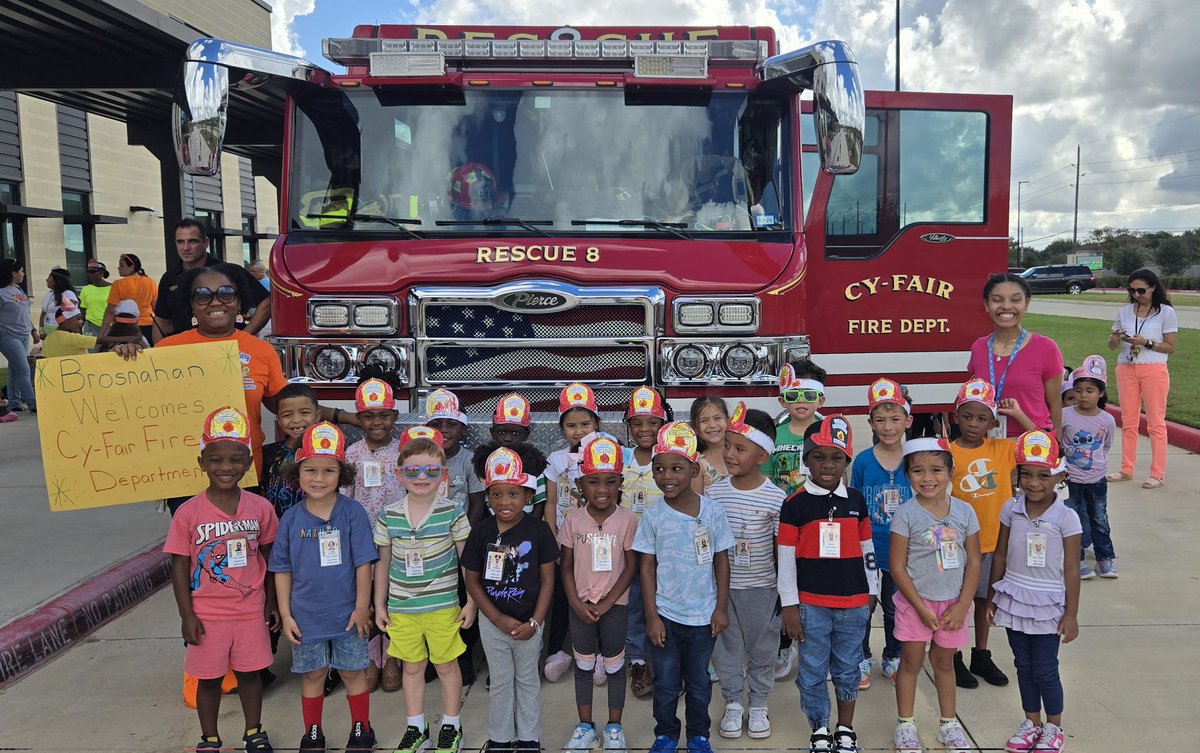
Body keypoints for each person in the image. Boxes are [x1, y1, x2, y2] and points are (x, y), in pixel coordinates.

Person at [162, 407, 279, 753]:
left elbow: (271, 558)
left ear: (248, 463)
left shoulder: (260, 507)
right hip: (207, 613)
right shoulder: (188, 513)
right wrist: (187, 615)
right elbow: (179, 567)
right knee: (209, 678)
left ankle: (254, 732)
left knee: (250, 674)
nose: (225, 467)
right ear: (202, 463)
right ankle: (210, 738)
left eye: (235, 460)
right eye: (215, 460)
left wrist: (272, 602)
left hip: (250, 610)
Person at [115, 263, 286, 483]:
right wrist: (123, 363)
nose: (215, 301)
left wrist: (328, 415)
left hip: (244, 475)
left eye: (226, 293)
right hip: (183, 475)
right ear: (192, 305)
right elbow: (136, 408)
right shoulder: (166, 350)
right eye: (203, 295)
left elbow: (284, 407)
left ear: (239, 301)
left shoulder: (261, 351)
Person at [270, 422, 378, 753]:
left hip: (348, 615)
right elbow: (282, 569)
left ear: (342, 473)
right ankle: (313, 732)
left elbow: (363, 564)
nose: (319, 478)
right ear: (297, 472)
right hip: (306, 617)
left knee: (352, 673)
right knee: (314, 674)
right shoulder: (291, 519)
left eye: (329, 470)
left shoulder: (352, 512)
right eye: (311, 470)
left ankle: (361, 728)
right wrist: (286, 615)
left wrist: (362, 608)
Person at [777, 416, 877, 753]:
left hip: (854, 604)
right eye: (818, 456)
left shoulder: (857, 501)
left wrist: (872, 591)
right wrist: (789, 605)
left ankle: (845, 729)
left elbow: (867, 549)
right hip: (811, 606)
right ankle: (819, 728)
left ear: (847, 460)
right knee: (812, 670)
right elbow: (786, 559)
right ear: (806, 459)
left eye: (836, 457)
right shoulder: (794, 505)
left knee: (848, 670)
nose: (828, 465)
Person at [634, 422, 733, 753]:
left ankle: (698, 736)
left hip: (703, 617)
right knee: (665, 682)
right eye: (659, 469)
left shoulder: (713, 511)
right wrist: (652, 616)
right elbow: (646, 567)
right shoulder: (653, 517)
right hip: (665, 615)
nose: (667, 477)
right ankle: (665, 734)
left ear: (694, 469)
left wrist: (720, 608)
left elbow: (721, 560)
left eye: (676, 468)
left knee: (699, 682)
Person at [374, 432, 474, 753]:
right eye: (412, 470)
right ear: (398, 473)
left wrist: (471, 601)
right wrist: (379, 604)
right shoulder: (389, 514)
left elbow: (467, 561)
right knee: (412, 667)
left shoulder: (453, 511)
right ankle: (416, 727)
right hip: (402, 608)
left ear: (443, 474)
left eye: (431, 470)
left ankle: (451, 725)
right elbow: (383, 562)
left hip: (443, 607)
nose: (421, 477)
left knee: (446, 666)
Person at [987, 431, 1082, 753]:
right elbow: (1000, 555)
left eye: (1043, 475)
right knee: (1023, 665)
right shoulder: (1011, 508)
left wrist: (1071, 614)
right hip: (1013, 596)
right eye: (1026, 474)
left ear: (1060, 476)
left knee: (1045, 668)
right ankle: (1031, 722)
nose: (1033, 483)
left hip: (1047, 603)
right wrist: (992, 598)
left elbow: (1072, 568)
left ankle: (1054, 727)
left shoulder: (1067, 518)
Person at [461, 447, 558, 753]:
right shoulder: (481, 531)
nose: (505, 501)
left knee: (527, 679)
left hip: (530, 622)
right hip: (493, 624)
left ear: (528, 496)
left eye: (513, 494)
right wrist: (497, 618)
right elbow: (472, 579)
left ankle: (529, 738)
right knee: (501, 681)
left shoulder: (539, 531)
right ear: (487, 496)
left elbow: (548, 580)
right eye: (497, 494)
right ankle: (500, 738)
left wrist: (535, 622)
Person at [889, 438, 981, 753]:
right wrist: (919, 607)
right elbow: (897, 567)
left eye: (936, 470)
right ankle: (905, 724)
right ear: (907, 475)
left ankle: (948, 724)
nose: (927, 478)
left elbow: (974, 561)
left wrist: (963, 605)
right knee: (911, 661)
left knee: (944, 662)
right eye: (918, 471)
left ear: (951, 472)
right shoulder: (906, 514)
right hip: (916, 604)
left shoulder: (966, 511)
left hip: (954, 605)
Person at [947, 378, 1034, 690]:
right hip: (958, 544)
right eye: (967, 416)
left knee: (985, 601)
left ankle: (980, 654)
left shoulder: (1002, 449)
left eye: (982, 418)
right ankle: (952, 654)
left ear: (993, 423)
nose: (974, 423)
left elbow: (1040, 442)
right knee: (957, 600)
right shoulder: (947, 452)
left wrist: (1019, 414)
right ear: (955, 417)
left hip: (994, 542)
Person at [710, 405, 786, 741]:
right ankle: (732, 702)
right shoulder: (713, 493)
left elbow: (780, 551)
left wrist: (784, 593)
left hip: (761, 589)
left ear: (762, 457)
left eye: (740, 448)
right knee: (725, 649)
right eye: (727, 445)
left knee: (762, 649)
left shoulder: (776, 498)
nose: (729, 454)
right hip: (722, 591)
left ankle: (758, 703)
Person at [559, 435, 639, 752]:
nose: (602, 489)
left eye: (610, 482)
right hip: (580, 606)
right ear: (581, 484)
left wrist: (607, 603)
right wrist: (575, 603)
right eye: (593, 482)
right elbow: (565, 566)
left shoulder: (627, 520)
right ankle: (585, 727)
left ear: (620, 483)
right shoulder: (573, 519)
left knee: (615, 666)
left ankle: (614, 728)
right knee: (584, 667)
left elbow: (631, 567)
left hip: (614, 607)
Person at [851, 378, 914, 690]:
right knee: (864, 606)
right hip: (868, 547)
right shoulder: (863, 461)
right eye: (880, 420)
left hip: (901, 550)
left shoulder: (915, 458)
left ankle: (893, 656)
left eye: (895, 419)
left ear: (908, 421)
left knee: (895, 606)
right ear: (871, 423)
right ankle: (861, 656)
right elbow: (854, 503)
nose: (888, 427)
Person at [424, 387, 484, 686]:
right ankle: (433, 657)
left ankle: (463, 655)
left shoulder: (469, 461)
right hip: (427, 544)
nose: (444, 430)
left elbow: (477, 504)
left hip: (460, 543)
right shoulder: (421, 459)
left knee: (462, 597)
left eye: (451, 424)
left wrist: (462, 538)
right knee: (432, 601)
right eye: (436, 424)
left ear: (463, 429)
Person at [544, 383, 603, 683]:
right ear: (562, 428)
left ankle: (601, 654)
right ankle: (556, 651)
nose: (578, 431)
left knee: (597, 595)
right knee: (561, 597)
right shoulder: (556, 460)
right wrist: (553, 541)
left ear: (596, 424)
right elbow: (551, 502)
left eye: (584, 424)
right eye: (571, 426)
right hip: (565, 543)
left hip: (597, 540)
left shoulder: (606, 453)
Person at [968, 273, 1064, 437]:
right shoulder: (979, 347)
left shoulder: (1045, 348)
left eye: (1015, 300)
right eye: (997, 300)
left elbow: (1055, 406)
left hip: (1033, 443)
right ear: (986, 305)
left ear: (1026, 303)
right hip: (989, 443)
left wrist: (1056, 444)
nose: (1006, 306)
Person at [621, 386, 670, 699]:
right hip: (632, 550)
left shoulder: (668, 458)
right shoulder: (622, 459)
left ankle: (667, 662)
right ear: (628, 425)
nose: (644, 429)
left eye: (653, 422)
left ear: (663, 423)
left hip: (666, 548)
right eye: (637, 423)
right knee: (635, 605)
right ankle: (638, 661)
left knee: (665, 603)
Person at [1108, 268, 1177, 489]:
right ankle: (1126, 469)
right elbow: (1112, 344)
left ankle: (1157, 473)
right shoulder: (1124, 312)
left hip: (1153, 368)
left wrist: (1146, 342)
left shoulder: (1165, 312)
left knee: (1156, 422)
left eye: (1141, 290)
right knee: (1129, 421)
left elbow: (1170, 347)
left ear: (1153, 288)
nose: (1136, 295)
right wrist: (1115, 339)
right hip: (1126, 367)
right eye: (1132, 291)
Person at [153, 218, 270, 342]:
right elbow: (161, 320)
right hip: (184, 349)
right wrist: (159, 351)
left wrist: (244, 336)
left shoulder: (229, 272)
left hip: (227, 348)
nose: (186, 247)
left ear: (206, 242)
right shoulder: (169, 278)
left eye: (192, 241)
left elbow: (267, 302)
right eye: (180, 242)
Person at [1061, 355, 1118, 579]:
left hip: (1097, 479)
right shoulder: (1065, 415)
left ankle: (1105, 558)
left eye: (1090, 390)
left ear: (1100, 393)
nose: (1083, 395)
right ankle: (1076, 559)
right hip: (1070, 479)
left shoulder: (1107, 420)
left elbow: (1106, 445)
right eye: (1079, 390)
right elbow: (1059, 441)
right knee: (1072, 519)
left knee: (1099, 518)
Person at [468, 393, 547, 524]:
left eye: (515, 433)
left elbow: (539, 502)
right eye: (502, 432)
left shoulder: (533, 463)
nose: (508, 438)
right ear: (492, 433)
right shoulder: (486, 462)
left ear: (526, 434)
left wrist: (531, 526)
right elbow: (483, 501)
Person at [342, 376, 404, 524]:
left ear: (395, 416)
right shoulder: (352, 453)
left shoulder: (403, 451)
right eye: (369, 417)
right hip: (362, 527)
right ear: (358, 418)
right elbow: (346, 494)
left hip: (398, 525)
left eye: (384, 416)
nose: (377, 422)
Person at [262, 383, 321, 519]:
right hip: (278, 527)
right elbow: (263, 493)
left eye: (304, 413)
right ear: (278, 420)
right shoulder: (269, 453)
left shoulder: (326, 453)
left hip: (315, 526)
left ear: (317, 416)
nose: (296, 420)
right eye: (287, 415)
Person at [770, 360, 827, 496]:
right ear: (782, 401)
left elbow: (840, 477)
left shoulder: (829, 435)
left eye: (809, 395)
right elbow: (766, 477)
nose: (801, 400)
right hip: (782, 506)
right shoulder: (773, 437)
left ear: (821, 401)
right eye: (792, 396)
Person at [0, 259, 38, 415]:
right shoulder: (1, 292)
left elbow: (25, 313)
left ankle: (15, 403)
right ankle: (33, 404)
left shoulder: (19, 289)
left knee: (14, 370)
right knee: (23, 369)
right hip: (8, 336)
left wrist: (33, 330)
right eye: (21, 271)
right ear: (13, 273)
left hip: (23, 335)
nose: (24, 274)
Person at [40, 303, 140, 357]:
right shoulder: (72, 338)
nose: (81, 322)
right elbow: (100, 340)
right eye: (78, 319)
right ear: (67, 321)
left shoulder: (49, 337)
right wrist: (129, 338)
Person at [98, 253, 157, 343]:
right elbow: (155, 307)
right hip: (148, 325)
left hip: (125, 326)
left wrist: (101, 333)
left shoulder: (118, 284)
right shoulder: (151, 282)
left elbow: (110, 311)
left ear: (132, 267)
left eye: (121, 265)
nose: (118, 268)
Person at [690, 396, 730, 492]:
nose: (712, 425)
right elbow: (696, 499)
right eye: (704, 421)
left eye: (717, 418)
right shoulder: (698, 464)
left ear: (728, 421)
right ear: (695, 428)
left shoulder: (739, 456)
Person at [38, 266, 78, 337]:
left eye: (49, 277)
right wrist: (41, 330)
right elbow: (43, 313)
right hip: (47, 331)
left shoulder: (68, 294)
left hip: (61, 332)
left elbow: (70, 315)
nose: (46, 280)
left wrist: (57, 330)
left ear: (56, 280)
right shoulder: (49, 294)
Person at [78, 259, 112, 336]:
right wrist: (80, 326)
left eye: (92, 272)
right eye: (88, 272)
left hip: (109, 325)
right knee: (91, 344)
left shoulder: (113, 288)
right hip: (90, 325)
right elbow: (83, 310)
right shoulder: (86, 289)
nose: (89, 274)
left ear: (101, 273)